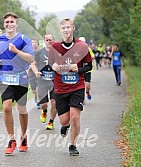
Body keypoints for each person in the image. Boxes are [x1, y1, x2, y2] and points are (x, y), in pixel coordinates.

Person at [48, 18, 92, 156]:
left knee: (75, 117)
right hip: (60, 88)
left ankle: (73, 145)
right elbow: (50, 63)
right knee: (64, 120)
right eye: (63, 28)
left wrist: (78, 70)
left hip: (77, 86)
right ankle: (65, 126)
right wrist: (53, 66)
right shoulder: (54, 47)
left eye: (68, 27)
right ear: (60, 30)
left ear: (73, 28)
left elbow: (89, 66)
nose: (66, 30)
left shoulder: (82, 46)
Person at [0, 12, 34, 155]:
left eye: (12, 22)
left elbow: (30, 58)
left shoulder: (23, 39)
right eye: (7, 22)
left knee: (22, 110)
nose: (9, 24)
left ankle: (23, 136)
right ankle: (11, 139)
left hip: (21, 79)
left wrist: (16, 51)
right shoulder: (0, 39)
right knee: (7, 108)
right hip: (5, 78)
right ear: (4, 24)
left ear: (16, 24)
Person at [31, 33, 57, 130]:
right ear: (44, 41)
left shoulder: (57, 52)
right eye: (47, 40)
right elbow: (33, 64)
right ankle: (44, 111)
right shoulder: (39, 52)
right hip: (42, 81)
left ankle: (51, 122)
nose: (49, 41)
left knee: (54, 102)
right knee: (43, 104)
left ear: (53, 40)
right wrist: (36, 72)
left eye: (51, 40)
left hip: (54, 81)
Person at [28, 38, 40, 109]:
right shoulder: (28, 53)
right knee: (33, 89)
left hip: (38, 71)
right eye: (32, 42)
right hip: (31, 73)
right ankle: (36, 96)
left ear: (37, 43)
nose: (34, 44)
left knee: (38, 87)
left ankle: (38, 101)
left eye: (35, 42)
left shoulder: (40, 52)